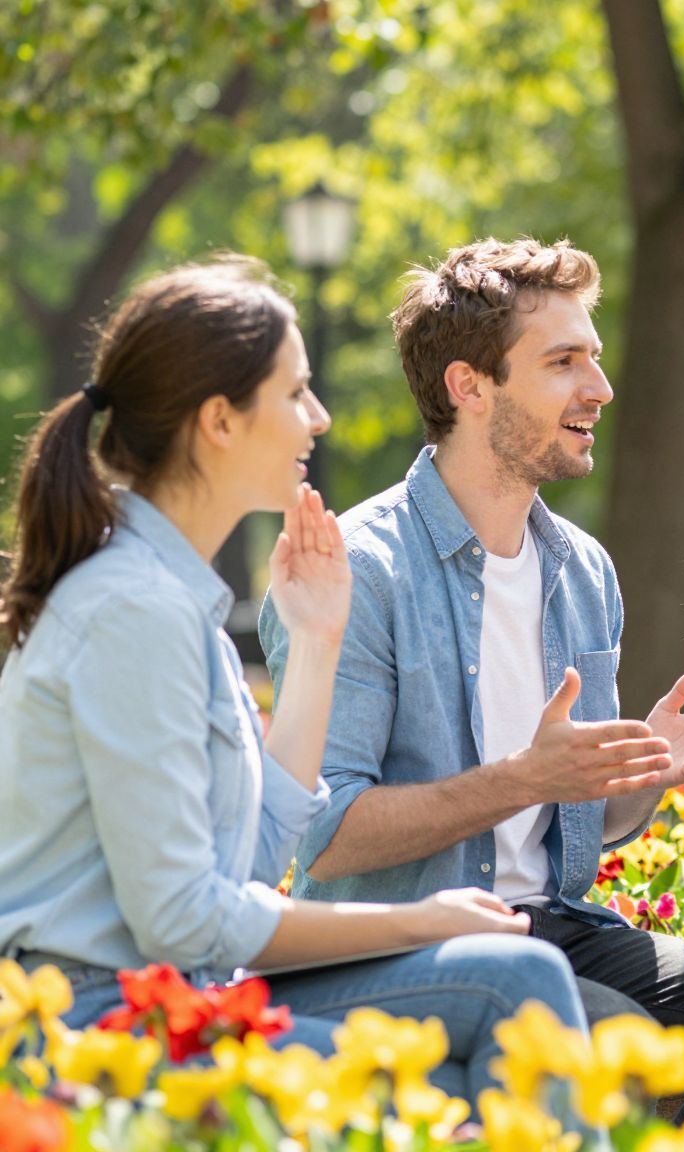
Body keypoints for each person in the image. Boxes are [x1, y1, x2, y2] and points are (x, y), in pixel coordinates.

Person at [259, 238, 684, 1121]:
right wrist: (524, 778)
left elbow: (577, 829)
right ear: (468, 386)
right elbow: (323, 838)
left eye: (593, 360)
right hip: (402, 941)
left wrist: (641, 778)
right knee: (602, 1034)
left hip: (550, 927)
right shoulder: (363, 572)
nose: (598, 389)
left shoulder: (583, 569)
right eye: (564, 363)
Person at [0, 258, 589, 1105]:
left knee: (514, 979)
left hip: (177, 995)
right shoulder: (132, 611)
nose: (318, 417)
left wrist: (317, 643)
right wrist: (421, 920)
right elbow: (184, 921)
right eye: (295, 392)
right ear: (220, 422)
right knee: (462, 1042)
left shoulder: (167, 599)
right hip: (97, 1030)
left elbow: (255, 857)